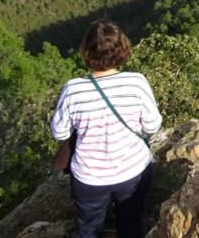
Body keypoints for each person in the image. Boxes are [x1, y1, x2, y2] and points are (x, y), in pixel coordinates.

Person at [51, 20, 162, 238]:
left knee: (89, 229)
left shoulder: (73, 89)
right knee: (131, 224)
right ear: (123, 49)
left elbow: (60, 133)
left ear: (86, 52)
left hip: (89, 178)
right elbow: (153, 125)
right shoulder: (137, 82)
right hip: (134, 171)